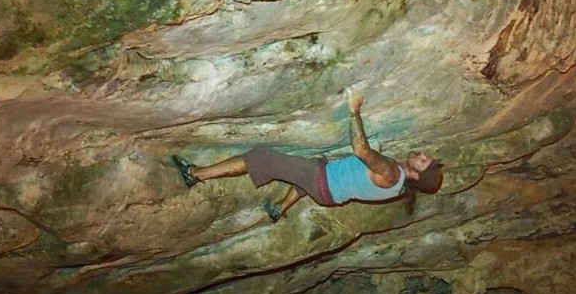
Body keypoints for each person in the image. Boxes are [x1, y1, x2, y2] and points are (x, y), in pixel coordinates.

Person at [170, 91, 443, 221]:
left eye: (423, 161)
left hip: (322, 182)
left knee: (262, 158)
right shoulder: (398, 187)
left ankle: (195, 174)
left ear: (417, 175)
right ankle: (279, 209)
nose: (421, 154)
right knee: (305, 176)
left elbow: (361, 150)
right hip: (330, 193)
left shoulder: (392, 173)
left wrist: (354, 111)